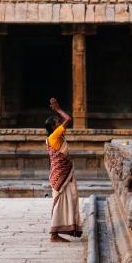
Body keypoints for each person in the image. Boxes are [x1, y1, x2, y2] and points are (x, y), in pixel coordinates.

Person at [45, 98, 83, 242]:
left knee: (69, 198)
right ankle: (54, 234)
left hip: (61, 172)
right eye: (58, 122)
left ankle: (65, 228)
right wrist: (58, 109)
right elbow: (69, 118)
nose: (61, 123)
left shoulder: (55, 137)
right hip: (60, 173)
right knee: (60, 201)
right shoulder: (54, 136)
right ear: (54, 127)